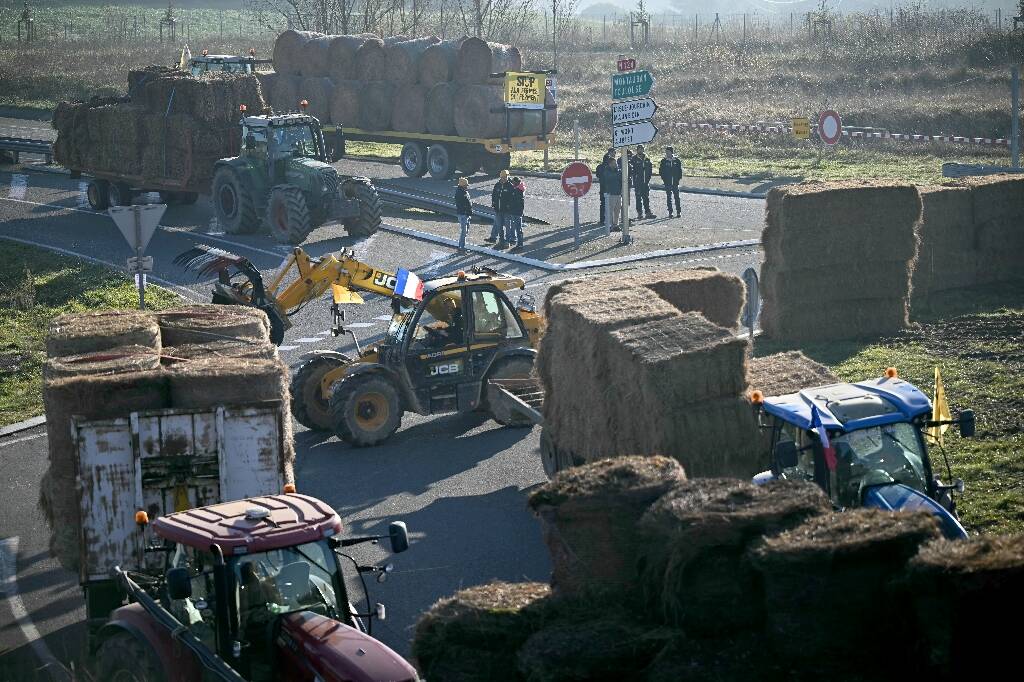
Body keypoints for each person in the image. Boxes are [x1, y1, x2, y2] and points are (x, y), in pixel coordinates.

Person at [485, 169, 510, 245]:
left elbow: (512, 198)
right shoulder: (497, 185)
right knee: (499, 226)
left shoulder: (510, 186)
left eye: (506, 176)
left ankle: (508, 241)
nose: (505, 178)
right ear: (501, 177)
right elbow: (494, 195)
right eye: (503, 177)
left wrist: (509, 207)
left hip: (506, 211)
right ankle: (501, 240)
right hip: (498, 210)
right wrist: (494, 204)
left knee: (508, 227)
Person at [631, 145, 655, 219]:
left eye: (642, 149)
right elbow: (632, 171)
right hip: (638, 183)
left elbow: (650, 170)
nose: (640, 150)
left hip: (645, 182)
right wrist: (635, 180)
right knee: (638, 198)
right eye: (639, 149)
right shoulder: (634, 159)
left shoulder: (647, 159)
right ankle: (639, 213)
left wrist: (648, 179)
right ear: (637, 150)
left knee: (646, 198)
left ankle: (648, 213)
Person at [659, 146, 683, 218]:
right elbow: (661, 172)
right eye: (666, 152)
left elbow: (680, 171)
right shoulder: (664, 161)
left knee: (677, 198)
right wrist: (665, 180)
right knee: (669, 198)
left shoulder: (677, 160)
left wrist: (678, 180)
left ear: (672, 152)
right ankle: (670, 212)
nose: (667, 153)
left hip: (675, 183)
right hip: (668, 183)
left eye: (668, 151)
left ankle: (678, 212)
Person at [602, 155, 622, 232]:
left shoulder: (618, 170)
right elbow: (610, 178)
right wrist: (618, 174)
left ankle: (615, 225)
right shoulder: (606, 171)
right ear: (610, 164)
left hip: (618, 193)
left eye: (616, 163)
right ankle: (609, 225)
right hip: (611, 193)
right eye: (614, 163)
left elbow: (621, 178)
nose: (616, 164)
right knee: (610, 210)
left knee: (617, 210)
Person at [505, 176, 526, 249]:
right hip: (517, 212)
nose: (512, 184)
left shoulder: (518, 191)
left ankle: (520, 244)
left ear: (516, 183)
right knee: (517, 228)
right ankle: (517, 242)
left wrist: (509, 207)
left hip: (516, 212)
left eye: (513, 182)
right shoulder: (520, 189)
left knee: (518, 229)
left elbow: (514, 202)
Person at [454, 177, 472, 250]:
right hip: (463, 214)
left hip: (466, 214)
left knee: (466, 231)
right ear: (462, 185)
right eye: (466, 185)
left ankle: (462, 246)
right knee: (464, 231)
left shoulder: (464, 191)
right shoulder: (460, 193)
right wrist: (467, 211)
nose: (467, 186)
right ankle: (461, 246)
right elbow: (463, 204)